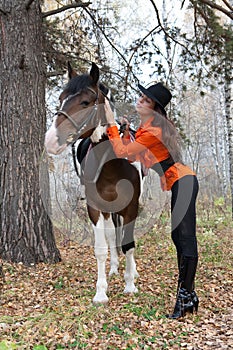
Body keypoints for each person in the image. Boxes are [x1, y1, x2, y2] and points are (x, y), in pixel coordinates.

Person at [104, 82, 199, 319]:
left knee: (184, 237)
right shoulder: (148, 128)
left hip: (184, 181)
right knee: (177, 236)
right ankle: (187, 294)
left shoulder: (153, 130)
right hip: (180, 181)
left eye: (145, 100)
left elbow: (122, 152)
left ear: (154, 108)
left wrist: (110, 125)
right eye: (140, 96)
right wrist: (125, 130)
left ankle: (186, 296)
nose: (139, 100)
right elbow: (132, 151)